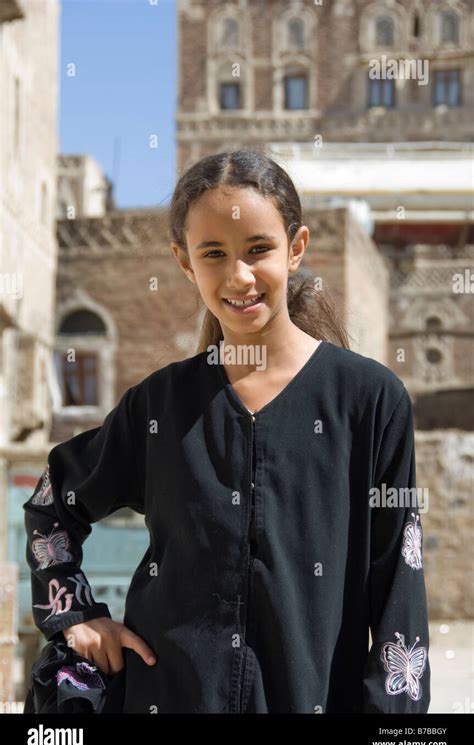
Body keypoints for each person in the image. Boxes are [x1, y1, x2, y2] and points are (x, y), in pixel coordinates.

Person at [23, 148, 430, 713]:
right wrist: (77, 615)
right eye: (213, 253)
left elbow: (398, 598)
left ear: (296, 248)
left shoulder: (370, 401)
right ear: (185, 263)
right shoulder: (159, 405)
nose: (238, 275)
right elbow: (52, 501)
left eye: (258, 249)